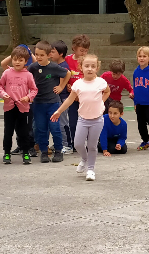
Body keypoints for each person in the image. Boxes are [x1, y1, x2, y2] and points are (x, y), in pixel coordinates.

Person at [52, 53, 109, 181]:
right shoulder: (78, 84)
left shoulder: (101, 82)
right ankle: (84, 159)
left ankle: (90, 169)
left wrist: (101, 101)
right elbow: (70, 100)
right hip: (83, 119)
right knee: (78, 144)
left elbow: (107, 91)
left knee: (92, 145)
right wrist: (59, 111)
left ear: (97, 68)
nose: (89, 68)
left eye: (93, 66)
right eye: (87, 66)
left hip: (97, 120)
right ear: (81, 67)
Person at [28, 40, 70, 163]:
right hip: (38, 103)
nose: (39, 57)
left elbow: (67, 73)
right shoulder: (33, 67)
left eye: (42, 55)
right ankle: (44, 152)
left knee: (55, 128)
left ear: (48, 55)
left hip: (53, 103)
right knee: (41, 129)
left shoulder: (54, 67)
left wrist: (61, 86)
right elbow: (27, 79)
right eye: (37, 54)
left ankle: (58, 151)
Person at [0, 45, 37, 164]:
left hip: (24, 108)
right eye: (15, 59)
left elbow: (34, 90)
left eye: (20, 60)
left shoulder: (28, 75)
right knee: (8, 131)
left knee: (24, 132)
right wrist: (3, 94)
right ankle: (7, 153)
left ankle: (25, 153)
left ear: (26, 61)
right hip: (9, 107)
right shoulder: (7, 72)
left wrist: (28, 97)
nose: (17, 62)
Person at [63, 35, 90, 150]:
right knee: (73, 121)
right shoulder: (67, 59)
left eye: (86, 50)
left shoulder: (88, 61)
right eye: (81, 50)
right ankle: (75, 142)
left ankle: (89, 142)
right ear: (74, 48)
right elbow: (64, 74)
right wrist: (67, 84)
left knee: (88, 120)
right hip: (72, 96)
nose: (84, 53)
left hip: (86, 96)